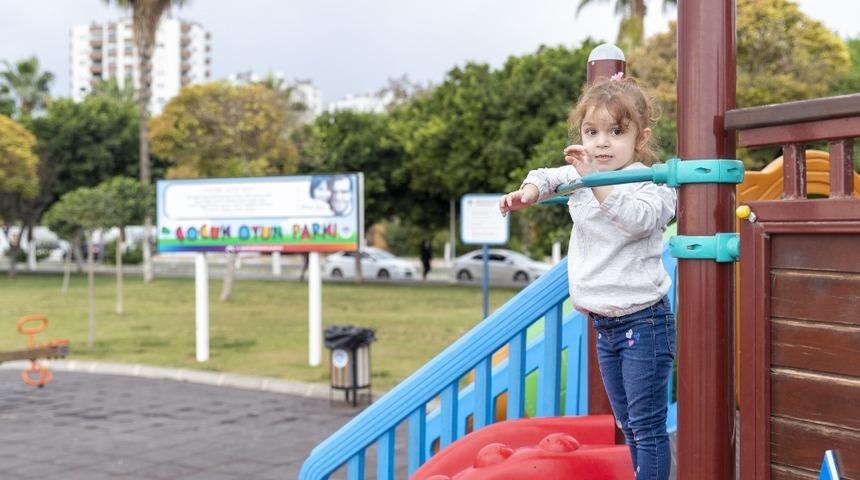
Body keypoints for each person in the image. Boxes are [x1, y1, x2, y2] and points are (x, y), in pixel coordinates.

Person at [499, 75, 676, 480]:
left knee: (647, 427)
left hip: (643, 322)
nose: (601, 143)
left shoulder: (650, 182)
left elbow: (636, 221)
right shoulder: (582, 172)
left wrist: (592, 182)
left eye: (616, 132)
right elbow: (546, 175)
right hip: (605, 325)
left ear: (639, 137)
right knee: (628, 423)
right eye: (591, 132)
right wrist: (526, 192)